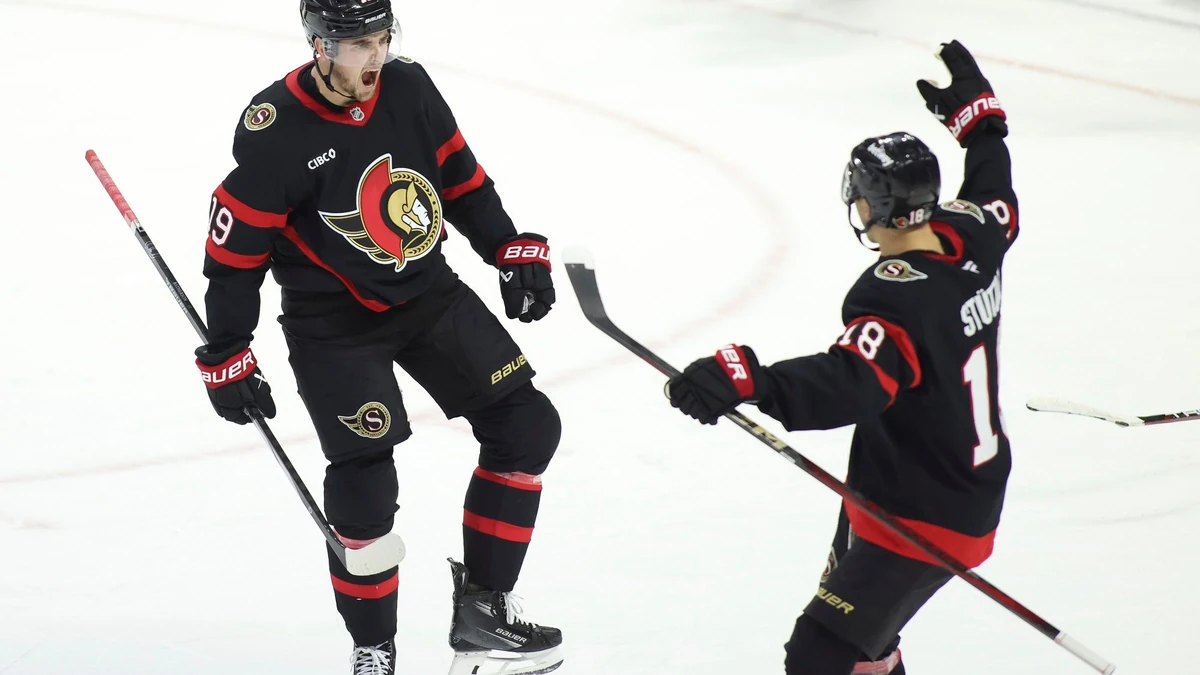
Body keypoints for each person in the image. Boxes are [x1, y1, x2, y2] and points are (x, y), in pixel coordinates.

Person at [191, 2, 563, 673]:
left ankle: (483, 612)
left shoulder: (410, 86)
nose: (374, 57)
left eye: (382, 39)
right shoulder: (274, 129)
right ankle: (374, 648)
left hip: (426, 293)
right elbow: (235, 257)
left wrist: (510, 247)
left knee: (528, 424)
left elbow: (461, 180)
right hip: (332, 325)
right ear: (319, 45)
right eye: (358, 44)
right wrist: (226, 349)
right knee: (365, 484)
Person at [665, 40, 1018, 674]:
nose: (855, 206)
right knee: (865, 649)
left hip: (920, 514)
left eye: (860, 195)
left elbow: (854, 381)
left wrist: (753, 381)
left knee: (819, 655)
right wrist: (983, 125)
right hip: (934, 484)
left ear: (878, 206)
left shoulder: (891, 295)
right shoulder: (977, 231)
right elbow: (995, 186)